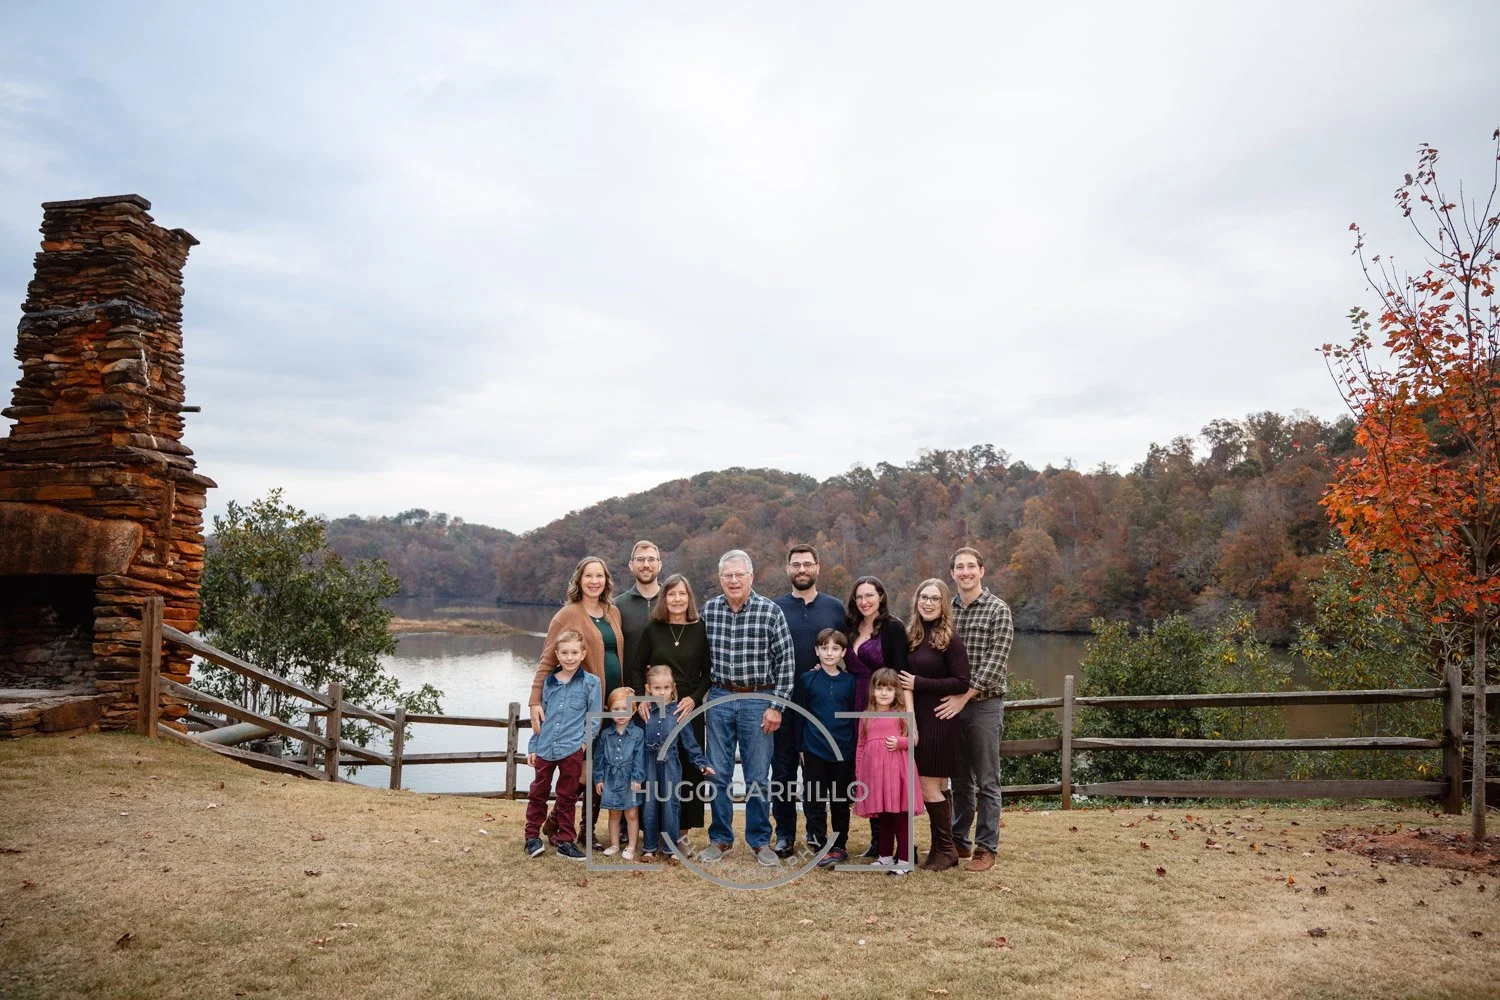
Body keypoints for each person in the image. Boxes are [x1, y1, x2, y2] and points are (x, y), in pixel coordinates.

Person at [699, 549, 796, 866]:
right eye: (727, 575)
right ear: (720, 579)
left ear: (751, 576)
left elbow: (786, 663)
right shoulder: (709, 610)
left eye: (739, 574)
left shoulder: (770, 611)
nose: (733, 580)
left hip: (758, 699)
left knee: (757, 775)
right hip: (719, 698)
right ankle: (720, 839)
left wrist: (776, 707)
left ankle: (759, 841)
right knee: (718, 773)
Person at [528, 556, 627, 842]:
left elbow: (617, 653)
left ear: (607, 581)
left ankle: (563, 826)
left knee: (599, 767)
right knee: (582, 771)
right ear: (579, 580)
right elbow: (547, 658)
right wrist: (535, 699)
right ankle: (576, 830)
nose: (595, 581)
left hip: (610, 703)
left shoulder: (613, 612)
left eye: (600, 576)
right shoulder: (567, 615)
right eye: (588, 576)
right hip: (580, 705)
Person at [770, 544, 850, 856]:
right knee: (783, 771)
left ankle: (823, 837)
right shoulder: (774, 607)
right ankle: (785, 835)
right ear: (787, 568)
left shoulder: (834, 608)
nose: (801, 569)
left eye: (807, 564)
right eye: (795, 564)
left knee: (822, 776)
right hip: (784, 703)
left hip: (822, 707)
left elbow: (848, 650)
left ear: (817, 567)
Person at [943, 546, 1014, 873]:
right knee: (959, 780)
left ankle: (987, 847)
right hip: (951, 707)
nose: (966, 572)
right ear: (953, 573)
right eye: (960, 567)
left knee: (987, 780)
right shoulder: (947, 611)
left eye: (971, 566)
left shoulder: (999, 610)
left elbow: (994, 664)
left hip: (984, 705)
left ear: (982, 571)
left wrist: (964, 696)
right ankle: (960, 840)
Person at [898, 578, 971, 872]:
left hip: (940, 719)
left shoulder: (950, 639)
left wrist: (920, 682)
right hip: (920, 717)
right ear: (916, 601)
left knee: (929, 786)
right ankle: (945, 848)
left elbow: (962, 681)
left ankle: (945, 849)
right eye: (923, 597)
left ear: (943, 604)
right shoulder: (911, 636)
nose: (928, 603)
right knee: (937, 785)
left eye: (934, 598)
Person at [632, 574, 712, 839]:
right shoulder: (652, 629)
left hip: (688, 706)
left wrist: (695, 698)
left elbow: (708, 672)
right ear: (663, 598)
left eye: (682, 594)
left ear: (689, 598)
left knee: (688, 766)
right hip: (656, 706)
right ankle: (651, 831)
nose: (677, 599)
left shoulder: (700, 629)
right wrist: (641, 699)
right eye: (671, 594)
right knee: (653, 765)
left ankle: (682, 832)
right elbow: (635, 667)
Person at [843, 575, 909, 856]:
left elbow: (901, 673)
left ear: (881, 596)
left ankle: (903, 846)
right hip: (855, 700)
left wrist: (904, 715)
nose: (864, 601)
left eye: (869, 595)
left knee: (888, 772)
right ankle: (877, 842)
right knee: (867, 769)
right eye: (859, 597)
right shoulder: (850, 627)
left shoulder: (893, 628)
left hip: (884, 703)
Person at [523, 629, 601, 861]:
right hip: (546, 746)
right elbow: (540, 718)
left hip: (572, 748)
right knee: (539, 792)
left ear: (582, 653)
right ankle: (532, 837)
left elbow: (594, 717)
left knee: (567, 797)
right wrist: (533, 746)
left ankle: (565, 841)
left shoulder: (591, 683)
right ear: (556, 655)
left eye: (574, 652)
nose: (569, 657)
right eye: (564, 652)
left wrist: (584, 744)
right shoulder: (548, 683)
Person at [792, 628, 858, 868]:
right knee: (815, 799)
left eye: (835, 649)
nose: (829, 653)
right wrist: (800, 746)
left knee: (840, 799)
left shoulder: (850, 682)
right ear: (816, 651)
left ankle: (839, 845)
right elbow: (800, 715)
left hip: (843, 749)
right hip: (814, 748)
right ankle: (820, 844)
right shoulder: (806, 680)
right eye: (824, 648)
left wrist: (852, 747)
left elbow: (853, 717)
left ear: (843, 652)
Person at [638, 664, 715, 862]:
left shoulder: (679, 713)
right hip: (649, 763)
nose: (661, 692)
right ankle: (649, 847)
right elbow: (636, 741)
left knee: (671, 804)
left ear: (672, 688)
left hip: (671, 763)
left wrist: (701, 762)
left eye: (665, 688)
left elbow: (690, 742)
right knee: (649, 803)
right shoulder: (644, 714)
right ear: (648, 689)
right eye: (656, 688)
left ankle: (672, 849)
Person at [853, 667, 922, 875]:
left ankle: (904, 859)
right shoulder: (866, 715)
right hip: (876, 775)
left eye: (889, 689)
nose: (884, 693)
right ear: (873, 690)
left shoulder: (901, 715)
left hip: (898, 772)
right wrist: (859, 772)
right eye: (880, 688)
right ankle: (884, 856)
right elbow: (861, 746)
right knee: (883, 816)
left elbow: (914, 740)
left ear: (896, 693)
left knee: (900, 815)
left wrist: (900, 742)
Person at [593, 686, 647, 861]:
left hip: (630, 777)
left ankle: (631, 846)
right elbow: (599, 758)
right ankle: (615, 844)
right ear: (609, 711)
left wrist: (637, 778)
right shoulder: (605, 734)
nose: (621, 713)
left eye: (625, 709)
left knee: (631, 813)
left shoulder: (638, 734)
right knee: (614, 813)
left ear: (633, 711)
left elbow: (640, 758)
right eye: (616, 709)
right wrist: (598, 778)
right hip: (610, 777)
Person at [615, 540, 663, 684]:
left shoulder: (673, 601)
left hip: (667, 693)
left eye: (651, 559)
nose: (646, 565)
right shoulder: (616, 605)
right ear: (631, 565)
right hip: (629, 693)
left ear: (659, 565)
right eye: (640, 559)